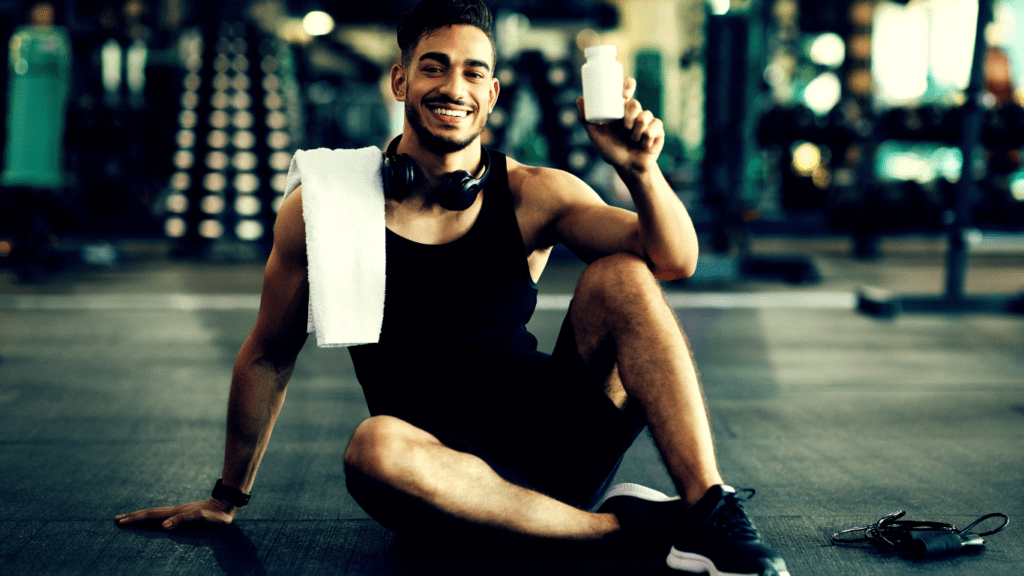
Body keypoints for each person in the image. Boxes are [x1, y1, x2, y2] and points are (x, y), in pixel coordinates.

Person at [116, 1, 788, 574]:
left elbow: (674, 261)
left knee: (621, 273)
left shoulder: (533, 193)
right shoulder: (327, 205)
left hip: (557, 442)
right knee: (373, 446)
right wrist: (227, 495)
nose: (452, 85)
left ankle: (706, 509)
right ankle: (627, 534)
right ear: (401, 79)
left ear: (492, 94)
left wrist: (641, 171)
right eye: (433, 66)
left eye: (473, 71)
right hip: (434, 471)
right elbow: (268, 351)